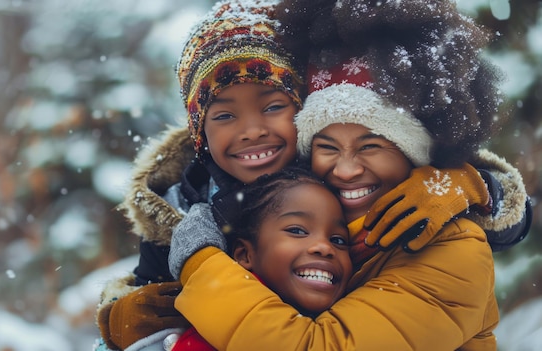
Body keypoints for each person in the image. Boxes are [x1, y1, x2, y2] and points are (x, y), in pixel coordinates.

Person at [95, 0, 531, 349]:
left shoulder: (334, 176)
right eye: (224, 114)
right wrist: (117, 318)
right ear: (199, 132)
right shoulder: (181, 202)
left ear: (300, 111)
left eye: (272, 106)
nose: (251, 132)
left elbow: (460, 172)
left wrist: (475, 185)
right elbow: (148, 291)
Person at [124, 167, 353, 350]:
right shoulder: (210, 333)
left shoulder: (353, 315)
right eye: (297, 231)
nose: (325, 247)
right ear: (245, 255)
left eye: (339, 240)